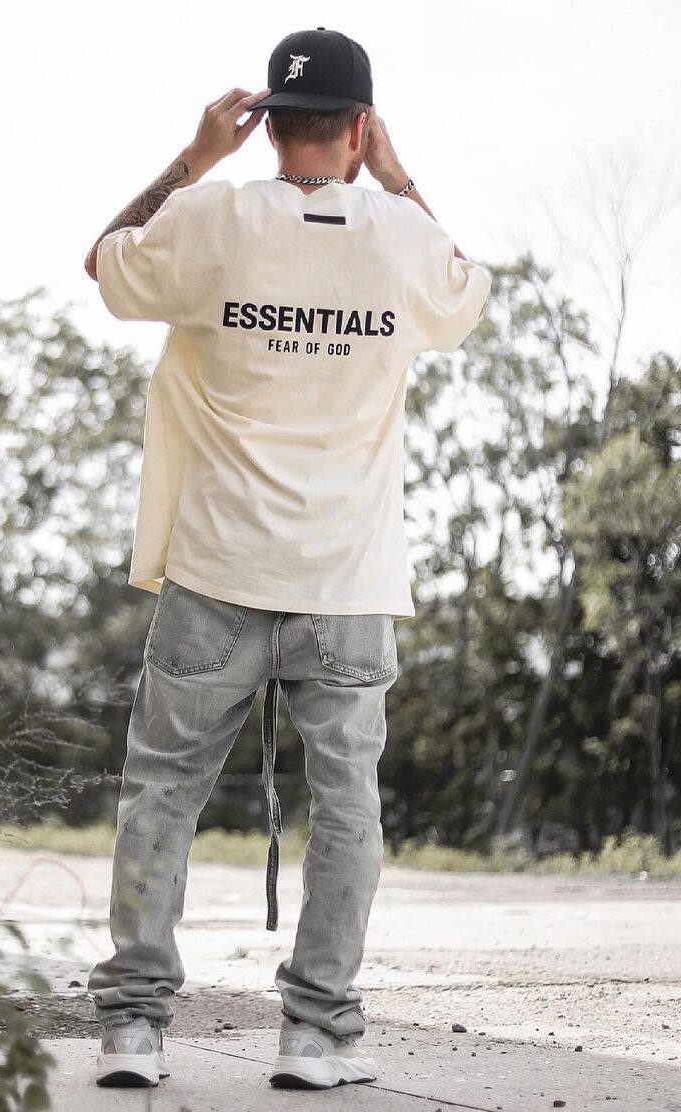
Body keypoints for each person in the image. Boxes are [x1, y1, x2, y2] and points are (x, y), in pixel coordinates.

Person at [82, 26, 491, 1092]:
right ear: (359, 127)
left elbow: (103, 263)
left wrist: (192, 160)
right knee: (347, 807)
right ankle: (317, 1035)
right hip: (347, 580)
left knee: (163, 793)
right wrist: (396, 177)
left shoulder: (210, 216)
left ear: (266, 126)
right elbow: (465, 293)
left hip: (216, 570)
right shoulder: (401, 236)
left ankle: (133, 1028)